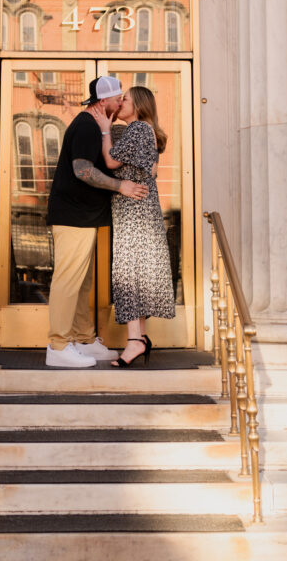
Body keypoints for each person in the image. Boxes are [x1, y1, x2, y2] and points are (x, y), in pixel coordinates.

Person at [45, 75, 149, 368]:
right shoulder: (86, 125)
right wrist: (121, 187)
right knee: (68, 281)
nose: (120, 103)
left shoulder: (94, 125)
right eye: (119, 99)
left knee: (81, 283)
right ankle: (59, 346)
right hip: (73, 215)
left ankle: (82, 339)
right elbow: (82, 171)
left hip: (83, 216)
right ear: (105, 101)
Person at [91, 86, 175, 367]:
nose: (120, 103)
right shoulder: (143, 129)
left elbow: (111, 160)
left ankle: (135, 341)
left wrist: (104, 128)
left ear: (138, 104)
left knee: (128, 274)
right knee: (136, 274)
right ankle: (139, 338)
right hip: (140, 210)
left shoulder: (138, 128)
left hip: (133, 212)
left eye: (124, 99)